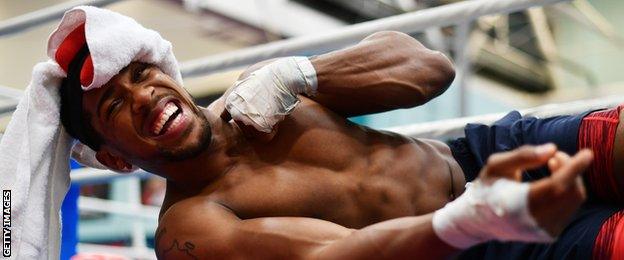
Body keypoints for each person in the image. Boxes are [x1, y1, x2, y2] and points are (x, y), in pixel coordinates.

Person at [55, 14, 621, 259]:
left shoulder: (265, 95)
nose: (143, 97)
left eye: (141, 75)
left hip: (482, 154)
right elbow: (338, 254)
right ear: (114, 158)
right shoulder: (191, 229)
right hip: (464, 247)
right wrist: (471, 220)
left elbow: (431, 68)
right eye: (115, 106)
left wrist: (304, 73)